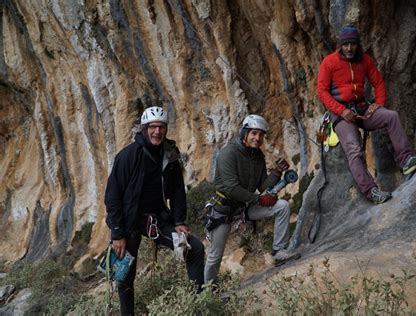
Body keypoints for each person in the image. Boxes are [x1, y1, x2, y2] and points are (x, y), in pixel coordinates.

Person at [105, 106, 205, 315]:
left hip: (157, 219)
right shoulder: (128, 156)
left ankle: (200, 305)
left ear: (166, 129)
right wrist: (117, 233)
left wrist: (179, 221)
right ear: (144, 128)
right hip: (129, 222)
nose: (157, 132)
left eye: (161, 127)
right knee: (125, 275)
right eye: (152, 127)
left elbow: (178, 190)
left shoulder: (170, 155)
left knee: (194, 248)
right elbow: (112, 196)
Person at [316, 25, 416, 204]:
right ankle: (371, 191)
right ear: (340, 45)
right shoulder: (329, 62)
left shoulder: (364, 60)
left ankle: (406, 160)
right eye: (346, 44)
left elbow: (378, 81)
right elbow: (322, 91)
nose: (349, 48)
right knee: (354, 149)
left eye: (353, 44)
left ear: (357, 45)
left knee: (390, 116)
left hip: (362, 108)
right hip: (341, 114)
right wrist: (342, 111)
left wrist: (378, 103)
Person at [204, 114, 300, 284]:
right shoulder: (229, 154)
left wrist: (277, 172)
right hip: (224, 210)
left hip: (243, 209)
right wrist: (259, 200)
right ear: (245, 133)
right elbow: (231, 188)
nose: (258, 138)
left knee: (282, 206)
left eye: (261, 135)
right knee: (215, 256)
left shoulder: (257, 156)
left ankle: (279, 252)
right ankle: (207, 293)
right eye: (254, 133)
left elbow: (263, 186)